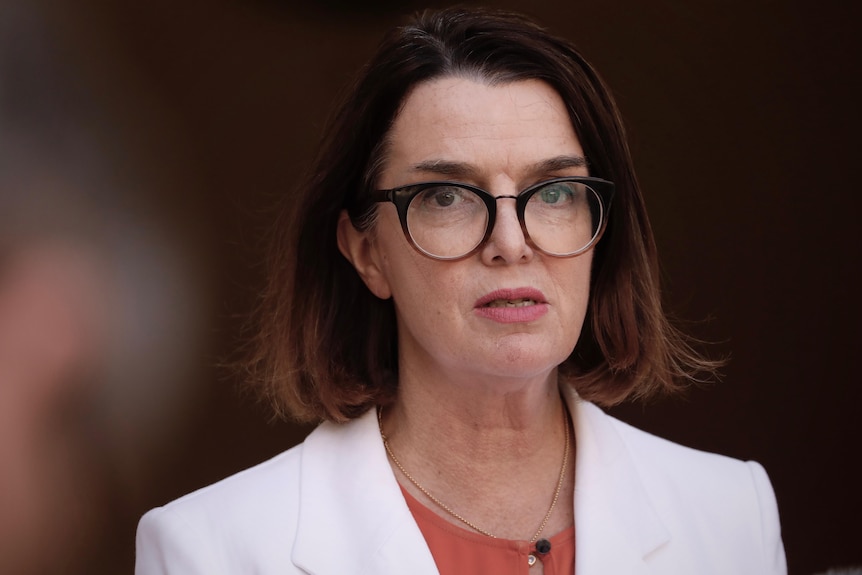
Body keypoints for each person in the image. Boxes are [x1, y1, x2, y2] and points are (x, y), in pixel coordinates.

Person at [135, 6, 786, 574]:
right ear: (367, 252)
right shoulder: (211, 550)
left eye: (555, 191)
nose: (511, 240)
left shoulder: (731, 510)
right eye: (448, 195)